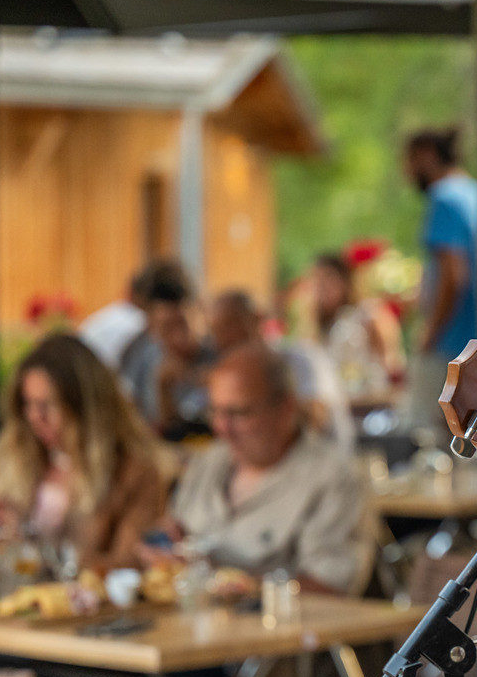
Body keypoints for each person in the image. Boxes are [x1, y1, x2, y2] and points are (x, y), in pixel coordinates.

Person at [0, 334, 168, 572]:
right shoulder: (10, 460)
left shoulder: (135, 473)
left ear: (85, 408)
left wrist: (31, 551)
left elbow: (129, 566)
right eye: (28, 404)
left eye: (47, 405)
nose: (36, 417)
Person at [163, 343, 364, 591]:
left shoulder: (332, 476)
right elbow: (175, 536)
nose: (222, 428)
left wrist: (231, 583)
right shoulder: (208, 462)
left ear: (285, 409)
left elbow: (329, 588)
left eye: (239, 413)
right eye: (214, 412)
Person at [403, 127, 477, 434]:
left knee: (422, 431)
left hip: (453, 346)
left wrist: (430, 335)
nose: (407, 172)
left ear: (426, 155)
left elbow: (454, 276)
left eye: (409, 161)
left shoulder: (443, 199)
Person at [207, 288, 354, 449]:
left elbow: (318, 417)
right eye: (217, 331)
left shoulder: (301, 358)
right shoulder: (226, 374)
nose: (224, 338)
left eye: (231, 325)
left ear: (257, 319)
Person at [118, 260, 213, 439]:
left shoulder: (220, 357)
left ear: (200, 313)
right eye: (167, 328)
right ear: (151, 326)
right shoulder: (139, 358)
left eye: (183, 324)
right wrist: (162, 390)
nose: (178, 337)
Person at [311, 252, 402, 403]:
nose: (323, 287)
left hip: (371, 405)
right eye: (317, 280)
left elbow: (392, 366)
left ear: (345, 281)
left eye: (329, 278)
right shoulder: (320, 326)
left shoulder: (369, 315)